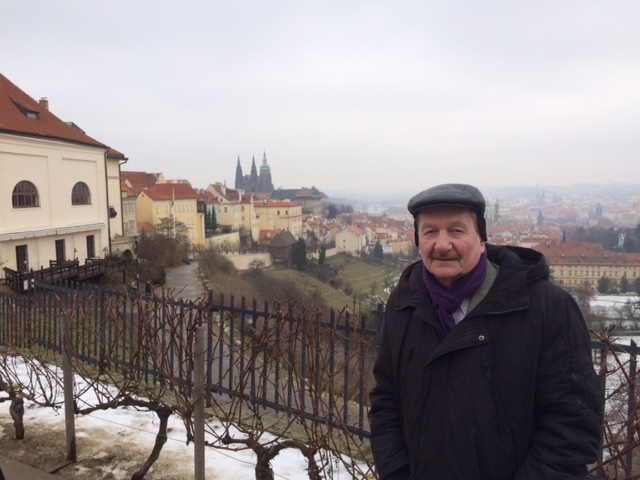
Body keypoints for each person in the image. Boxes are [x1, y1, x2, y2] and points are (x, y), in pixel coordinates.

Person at [369, 183, 603, 480]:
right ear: (418, 241)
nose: (442, 244)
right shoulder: (403, 303)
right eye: (430, 232)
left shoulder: (547, 308)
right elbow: (386, 400)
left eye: (456, 230)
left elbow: (572, 426)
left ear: (482, 240)